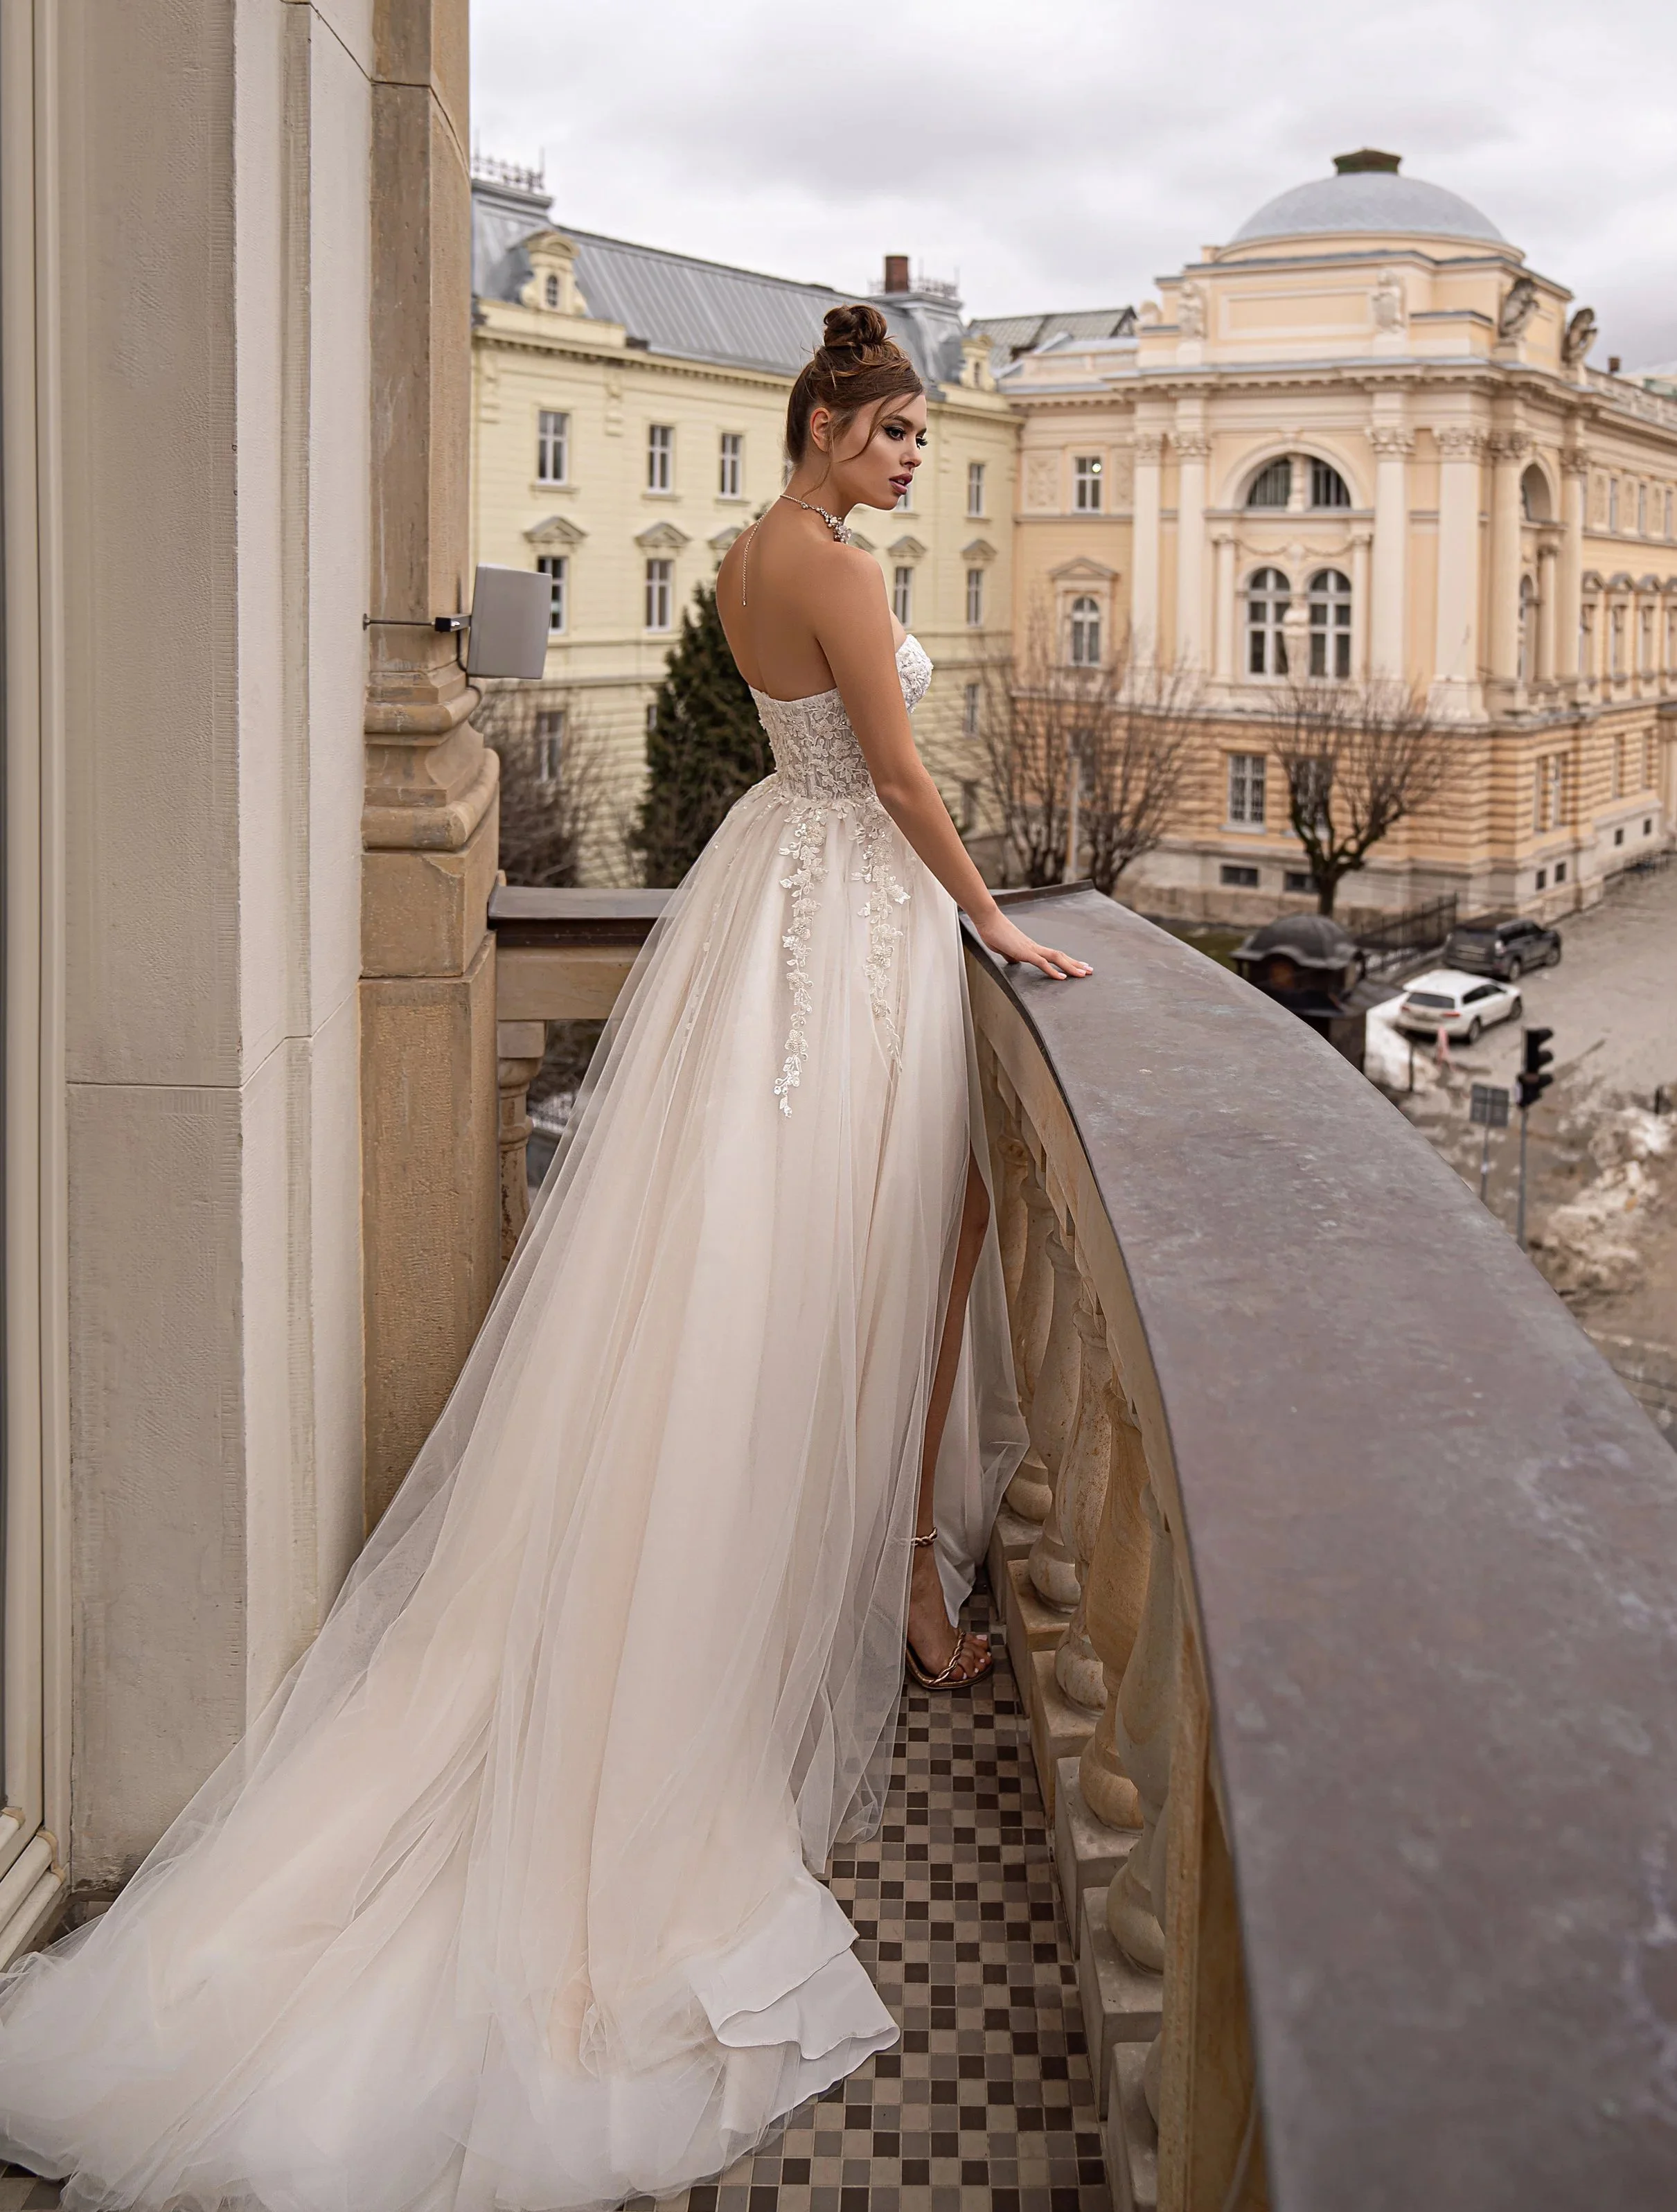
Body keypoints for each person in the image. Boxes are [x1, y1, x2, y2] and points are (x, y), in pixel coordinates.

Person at [0, 305, 1090, 2210]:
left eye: (925, 433)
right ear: (825, 425)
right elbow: (907, 789)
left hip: (769, 893)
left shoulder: (755, 560)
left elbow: (824, 766)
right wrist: (1000, 930)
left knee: (761, 1281)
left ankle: (884, 1585)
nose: (914, 457)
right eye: (896, 429)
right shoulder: (825, 570)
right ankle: (857, 1596)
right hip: (844, 924)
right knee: (832, 1278)